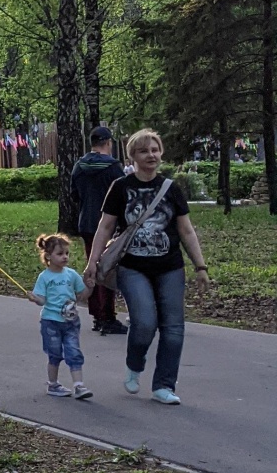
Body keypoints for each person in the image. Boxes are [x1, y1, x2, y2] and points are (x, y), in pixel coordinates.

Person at [82, 127, 211, 407]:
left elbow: (186, 230)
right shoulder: (121, 187)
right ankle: (134, 362)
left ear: (161, 153)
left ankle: (164, 385)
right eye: (144, 151)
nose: (151, 155)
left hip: (170, 267)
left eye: (155, 150)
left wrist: (200, 266)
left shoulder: (171, 189)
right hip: (133, 266)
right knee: (143, 323)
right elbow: (105, 227)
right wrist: (92, 263)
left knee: (174, 327)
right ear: (133, 156)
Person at [71, 125, 124, 334]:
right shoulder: (113, 168)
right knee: (107, 268)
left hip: (86, 223)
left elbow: (74, 195)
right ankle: (107, 316)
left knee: (92, 267)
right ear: (108, 143)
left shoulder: (79, 166)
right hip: (108, 224)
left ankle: (96, 315)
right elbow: (123, 195)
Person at [29, 232, 91, 400]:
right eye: (60, 253)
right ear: (48, 256)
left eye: (66, 253)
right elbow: (42, 300)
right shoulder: (45, 277)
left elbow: (82, 295)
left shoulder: (71, 274)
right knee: (55, 354)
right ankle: (53, 384)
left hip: (71, 322)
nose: (65, 257)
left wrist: (90, 286)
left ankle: (79, 386)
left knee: (74, 352)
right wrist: (35, 298)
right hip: (51, 322)